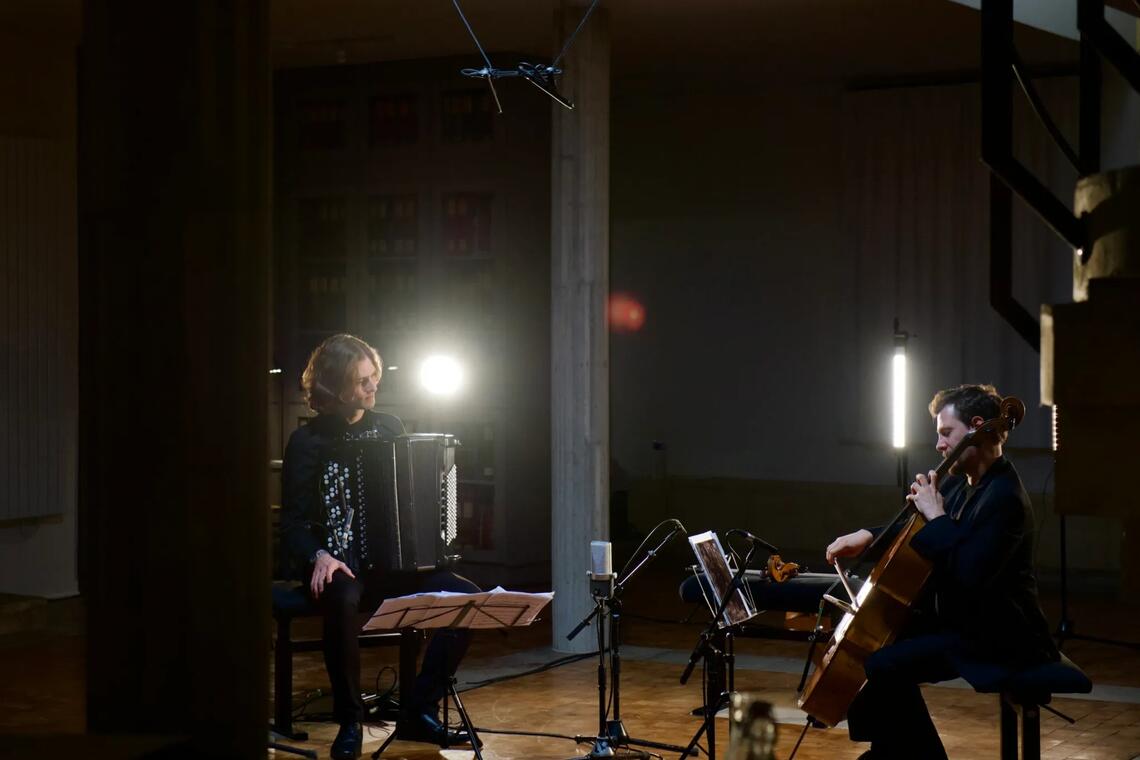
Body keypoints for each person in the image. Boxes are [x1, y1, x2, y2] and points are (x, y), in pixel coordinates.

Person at [824, 384, 1057, 760]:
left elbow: (968, 575)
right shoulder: (962, 482)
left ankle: (910, 755)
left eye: (946, 432)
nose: (939, 445)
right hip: (967, 621)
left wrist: (936, 515)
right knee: (881, 641)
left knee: (885, 663)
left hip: (1001, 634)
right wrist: (868, 536)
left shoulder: (1005, 497)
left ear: (977, 427)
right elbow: (916, 529)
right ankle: (890, 752)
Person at [281, 334, 480, 760]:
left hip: (394, 566)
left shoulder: (389, 427)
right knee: (341, 601)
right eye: (362, 380)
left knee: (468, 599)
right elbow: (293, 523)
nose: (374, 386)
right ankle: (350, 720)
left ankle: (419, 709)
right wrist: (319, 555)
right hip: (340, 566)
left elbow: (407, 501)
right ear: (335, 387)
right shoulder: (306, 442)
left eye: (375, 375)